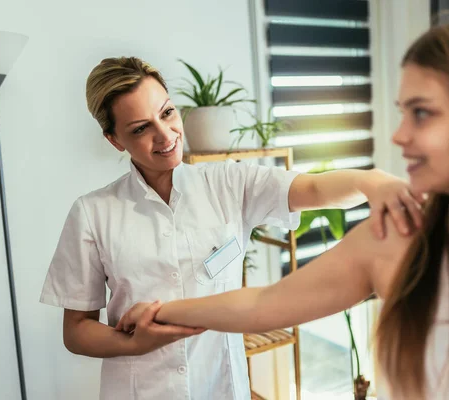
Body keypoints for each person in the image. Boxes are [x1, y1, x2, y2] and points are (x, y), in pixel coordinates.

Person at [117, 11, 449, 400]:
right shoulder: (401, 239)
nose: (398, 135)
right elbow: (266, 303)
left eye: (422, 113)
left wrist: (369, 181)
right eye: (402, 111)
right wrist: (162, 312)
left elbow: (312, 191)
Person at [39, 56, 425, 400]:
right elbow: (76, 331)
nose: (165, 134)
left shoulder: (228, 183)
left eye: (168, 112)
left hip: (222, 385)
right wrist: (134, 345)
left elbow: (314, 188)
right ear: (114, 139)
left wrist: (372, 181)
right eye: (141, 128)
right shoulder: (92, 213)